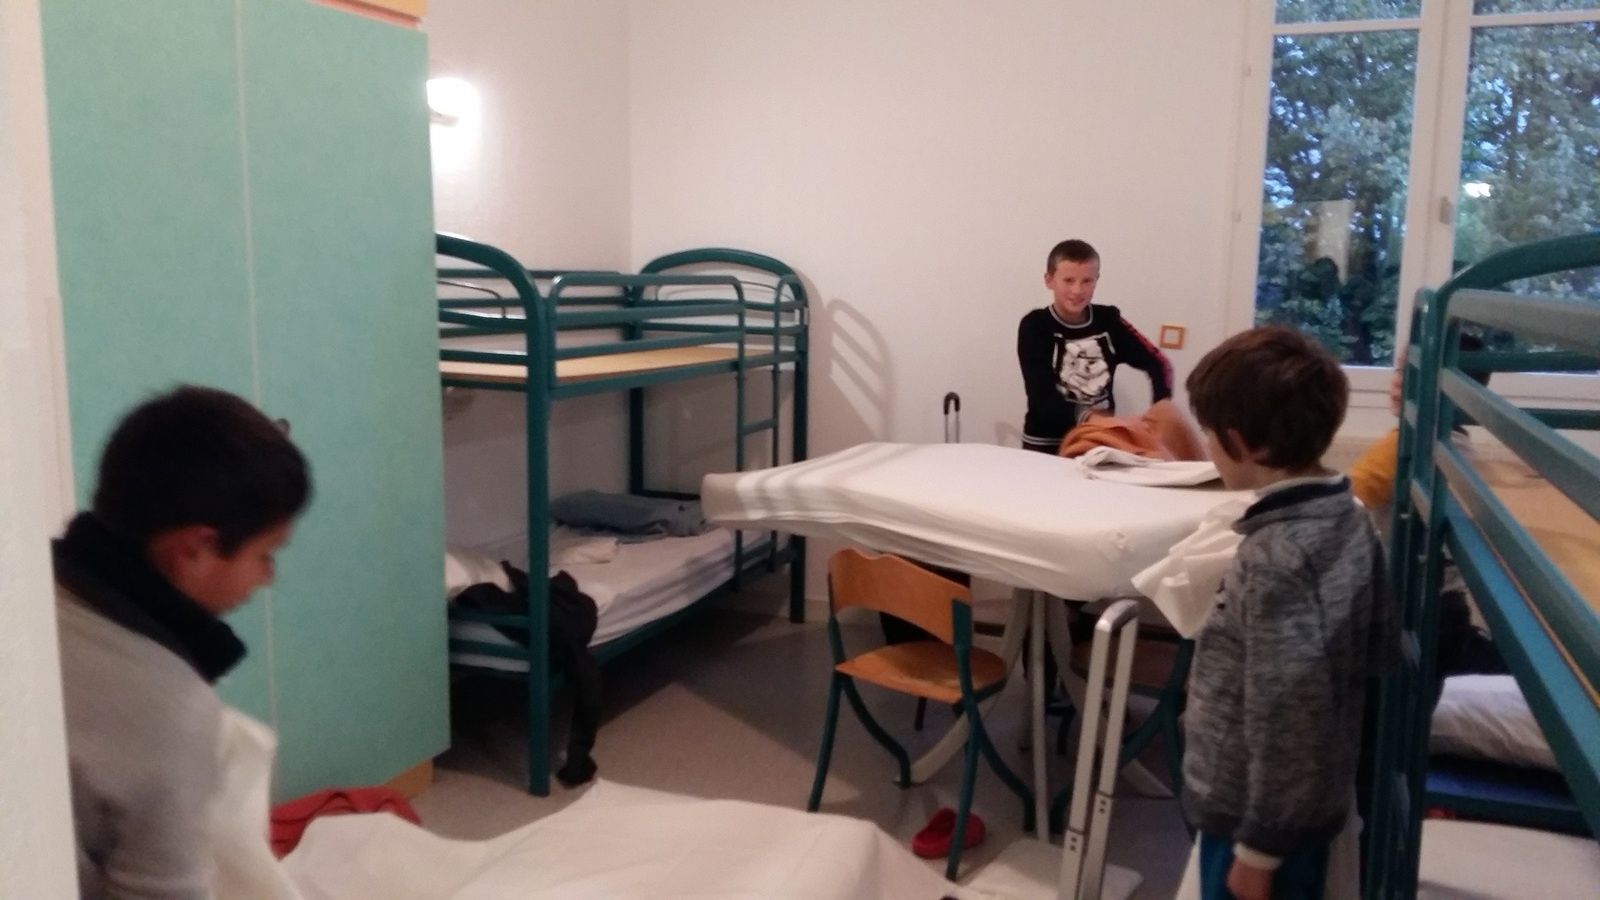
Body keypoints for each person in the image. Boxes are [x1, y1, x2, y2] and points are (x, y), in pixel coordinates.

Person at [53, 385, 311, 898]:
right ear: (196, 548)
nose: (268, 578)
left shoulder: (29, 596)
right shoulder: (169, 710)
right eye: (265, 555)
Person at [1182, 326, 1399, 900]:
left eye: (1208, 434)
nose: (1207, 447)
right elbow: (1379, 652)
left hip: (1255, 824)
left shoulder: (1276, 557)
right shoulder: (1351, 516)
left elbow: (1290, 715)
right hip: (1308, 806)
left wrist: (1260, 852)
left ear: (1243, 444)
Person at [1017, 239, 1172, 453]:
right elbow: (1041, 396)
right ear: (1049, 280)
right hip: (1046, 444)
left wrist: (1158, 417)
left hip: (1098, 442)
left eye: (1087, 281)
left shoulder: (1109, 320)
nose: (1077, 290)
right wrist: (1092, 419)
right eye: (1068, 280)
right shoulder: (1035, 325)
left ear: (1096, 280)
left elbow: (1159, 364)